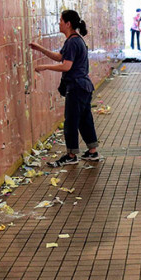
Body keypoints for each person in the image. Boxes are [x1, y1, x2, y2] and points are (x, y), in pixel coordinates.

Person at [29, 10, 101, 167]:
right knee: (84, 119)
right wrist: (40, 49)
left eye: (61, 20)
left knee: (71, 121)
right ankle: (92, 151)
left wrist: (44, 67)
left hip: (76, 87)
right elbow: (60, 57)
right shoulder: (75, 40)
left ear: (68, 24)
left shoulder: (72, 42)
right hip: (84, 86)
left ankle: (71, 155)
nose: (59, 23)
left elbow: (66, 66)